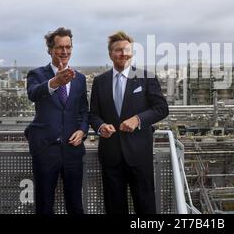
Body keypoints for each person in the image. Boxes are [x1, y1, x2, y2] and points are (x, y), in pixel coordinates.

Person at [89, 31, 169, 214]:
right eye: (118, 50)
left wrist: (138, 119)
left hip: (140, 156)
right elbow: (93, 114)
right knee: (114, 208)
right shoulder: (99, 82)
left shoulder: (145, 77)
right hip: (111, 157)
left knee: (146, 207)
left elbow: (162, 108)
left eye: (127, 50)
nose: (123, 54)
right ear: (110, 54)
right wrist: (101, 126)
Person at [25, 27, 89, 214]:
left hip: (72, 150)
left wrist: (82, 130)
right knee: (44, 205)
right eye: (60, 47)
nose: (64, 51)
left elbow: (84, 111)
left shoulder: (80, 79)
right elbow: (33, 94)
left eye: (68, 47)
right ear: (50, 49)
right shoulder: (37, 74)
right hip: (46, 150)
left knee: (75, 205)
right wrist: (55, 82)